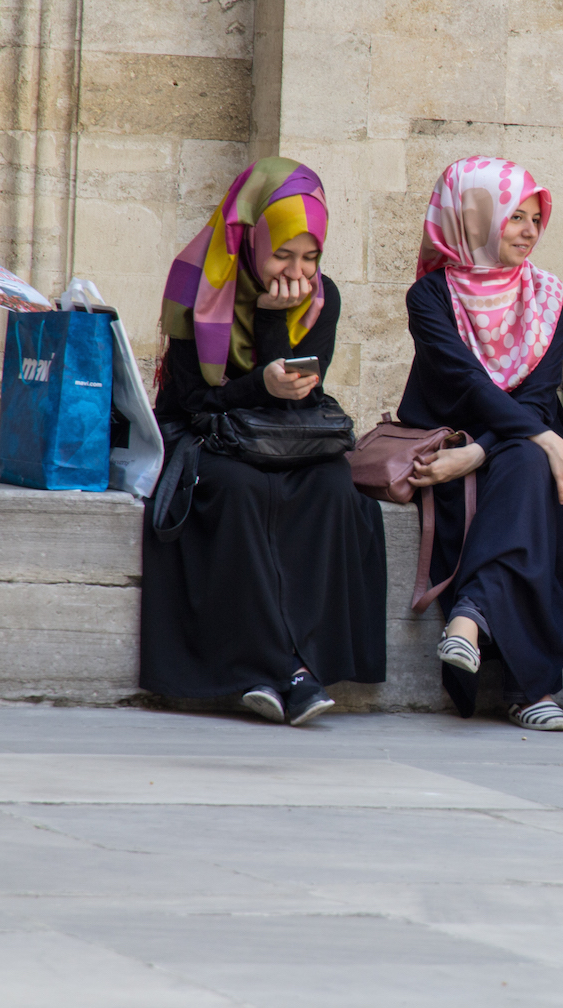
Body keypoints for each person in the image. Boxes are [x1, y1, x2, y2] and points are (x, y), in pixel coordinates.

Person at [141, 158, 387, 725]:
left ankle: (287, 669)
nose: (297, 272)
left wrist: (276, 323)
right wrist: (257, 380)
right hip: (208, 428)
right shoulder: (195, 282)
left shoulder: (322, 298)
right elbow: (191, 400)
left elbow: (293, 398)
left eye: (310, 258)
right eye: (283, 253)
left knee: (332, 489)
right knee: (238, 491)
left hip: (284, 435)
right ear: (251, 237)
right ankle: (287, 670)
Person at [395, 157, 563, 733]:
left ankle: (469, 620)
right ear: (474, 219)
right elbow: (466, 386)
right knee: (532, 466)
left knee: (530, 466)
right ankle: (533, 688)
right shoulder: (429, 297)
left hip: (511, 438)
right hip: (455, 430)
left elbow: (540, 394)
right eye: (514, 217)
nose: (530, 230)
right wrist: (543, 438)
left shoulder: (549, 296)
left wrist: (482, 452)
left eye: (535, 218)